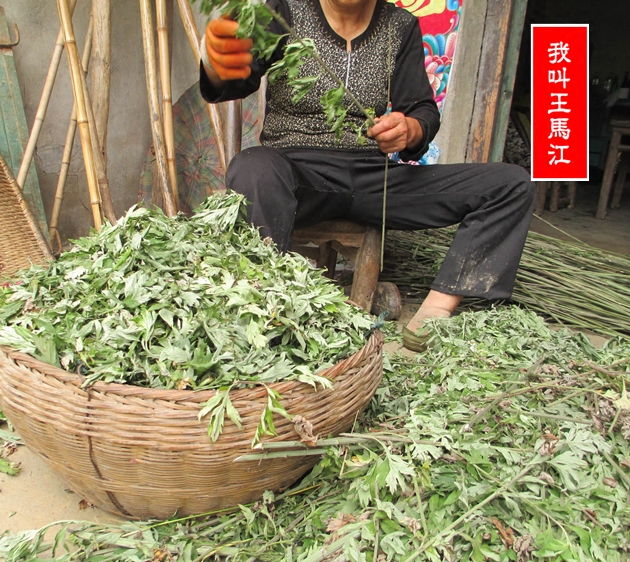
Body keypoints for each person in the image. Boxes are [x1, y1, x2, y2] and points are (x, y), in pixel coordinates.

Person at [199, 0, 536, 351]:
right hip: (297, 175)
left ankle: (436, 309)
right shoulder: (285, 11)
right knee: (252, 166)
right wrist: (217, 63)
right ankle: (267, 306)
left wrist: (411, 129)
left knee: (510, 184)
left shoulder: (398, 25)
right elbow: (235, 81)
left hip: (374, 178)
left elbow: (420, 107)